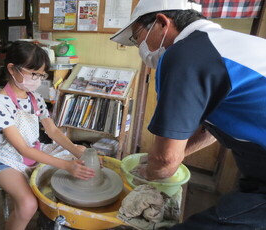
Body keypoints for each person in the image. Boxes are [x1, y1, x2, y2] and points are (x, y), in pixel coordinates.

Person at [111, 0, 266, 229]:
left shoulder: (185, 55)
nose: (140, 47)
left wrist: (149, 171)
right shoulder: (222, 44)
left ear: (162, 23)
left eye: (138, 38)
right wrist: (172, 157)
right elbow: (211, 131)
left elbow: (165, 162)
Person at [0, 41, 95, 230]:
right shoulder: (0, 102)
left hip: (32, 150)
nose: (37, 79)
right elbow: (22, 149)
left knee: (81, 150)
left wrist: (77, 154)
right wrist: (66, 165)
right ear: (12, 69)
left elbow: (52, 131)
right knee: (28, 205)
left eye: (41, 74)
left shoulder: (34, 97)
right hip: (5, 159)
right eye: (33, 73)